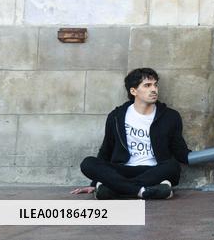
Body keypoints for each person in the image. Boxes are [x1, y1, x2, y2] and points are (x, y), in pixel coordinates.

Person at [71, 67, 190, 200]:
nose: (154, 89)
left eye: (155, 85)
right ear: (133, 91)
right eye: (147, 85)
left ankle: (115, 189)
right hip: (122, 169)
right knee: (88, 163)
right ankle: (144, 191)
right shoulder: (116, 116)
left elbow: (180, 151)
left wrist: (204, 155)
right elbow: (106, 149)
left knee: (172, 166)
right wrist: (93, 182)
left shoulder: (170, 116)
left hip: (153, 170)